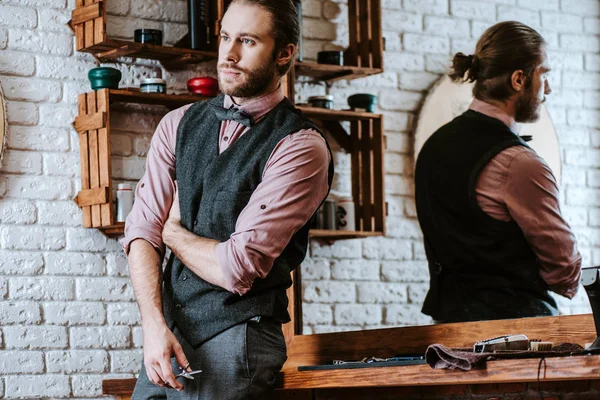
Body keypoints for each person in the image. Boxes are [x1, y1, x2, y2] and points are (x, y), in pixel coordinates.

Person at [121, 0, 333, 398]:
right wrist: (152, 326)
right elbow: (139, 234)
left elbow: (237, 268)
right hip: (167, 338)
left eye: (248, 41)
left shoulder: (300, 146)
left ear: (285, 52)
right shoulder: (177, 124)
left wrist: (170, 231)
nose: (229, 55)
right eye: (225, 37)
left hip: (239, 339)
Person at [415, 21, 581, 323]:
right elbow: (564, 270)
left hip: (445, 334)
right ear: (519, 79)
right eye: (544, 76)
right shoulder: (520, 163)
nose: (548, 89)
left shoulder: (431, 149)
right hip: (516, 336)